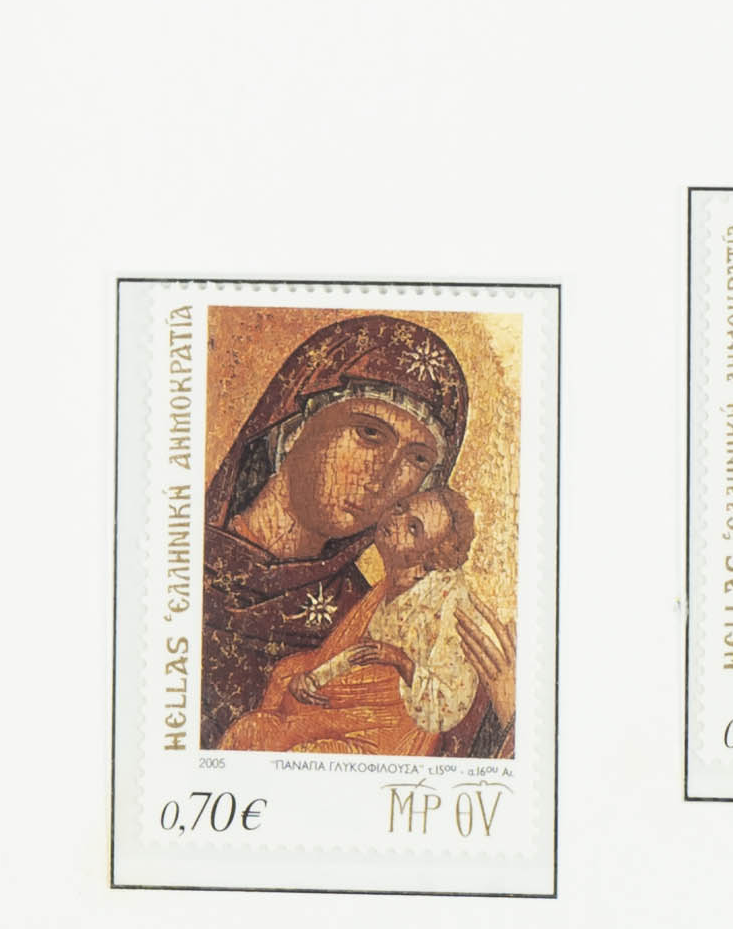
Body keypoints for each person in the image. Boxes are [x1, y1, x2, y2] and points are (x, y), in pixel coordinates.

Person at [196, 315, 503, 757]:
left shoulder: (371, 613)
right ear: (294, 426)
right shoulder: (179, 569)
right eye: (370, 433)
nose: (385, 477)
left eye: (417, 459)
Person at [214, 478, 511, 757]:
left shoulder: (450, 605)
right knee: (268, 708)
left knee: (264, 738)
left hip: (387, 737)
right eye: (400, 507)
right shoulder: (388, 587)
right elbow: (353, 652)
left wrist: (401, 661)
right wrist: (313, 677)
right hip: (351, 713)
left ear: (431, 558)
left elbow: (448, 703)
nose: (396, 521)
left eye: (413, 528)